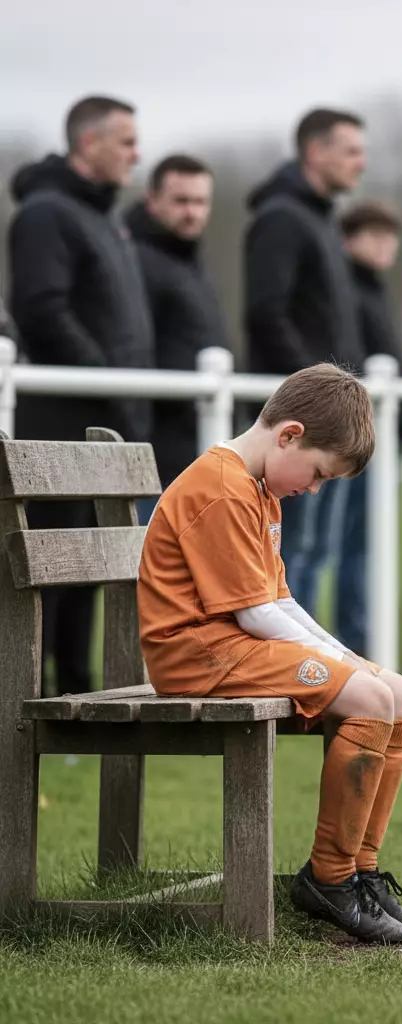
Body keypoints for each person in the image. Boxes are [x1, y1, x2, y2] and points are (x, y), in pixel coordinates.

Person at [137, 363, 402, 945]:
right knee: (371, 697)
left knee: (398, 692)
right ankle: (331, 877)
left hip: (234, 647)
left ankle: (361, 873)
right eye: (318, 474)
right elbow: (254, 614)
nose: (314, 489)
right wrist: (346, 666)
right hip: (198, 655)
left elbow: (281, 601)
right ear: (289, 435)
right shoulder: (221, 487)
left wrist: (348, 656)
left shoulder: (259, 485)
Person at [7, 95, 153, 695]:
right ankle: (36, 698)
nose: (136, 154)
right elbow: (43, 311)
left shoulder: (103, 218)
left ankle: (76, 687)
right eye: (126, 141)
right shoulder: (46, 213)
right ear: (88, 144)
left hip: (106, 417)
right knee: (55, 568)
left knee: (95, 569)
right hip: (63, 420)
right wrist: (106, 381)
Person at [244, 108, 366, 620]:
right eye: (352, 151)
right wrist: (318, 398)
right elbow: (265, 315)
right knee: (297, 553)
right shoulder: (281, 218)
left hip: (323, 419)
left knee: (318, 550)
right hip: (302, 426)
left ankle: (311, 668)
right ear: (316, 152)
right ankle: (293, 672)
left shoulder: (318, 219)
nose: (361, 164)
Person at [127, 154, 227, 515]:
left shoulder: (189, 261)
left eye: (201, 202)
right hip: (154, 452)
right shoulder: (135, 260)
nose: (192, 212)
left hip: (195, 440)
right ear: (151, 200)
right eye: (181, 201)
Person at [333, 201, 402, 657]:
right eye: (373, 235)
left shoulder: (377, 291)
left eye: (389, 236)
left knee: (368, 542)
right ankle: (349, 635)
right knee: (349, 541)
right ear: (349, 239)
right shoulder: (347, 290)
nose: (384, 245)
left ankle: (358, 634)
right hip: (355, 433)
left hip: (384, 432)